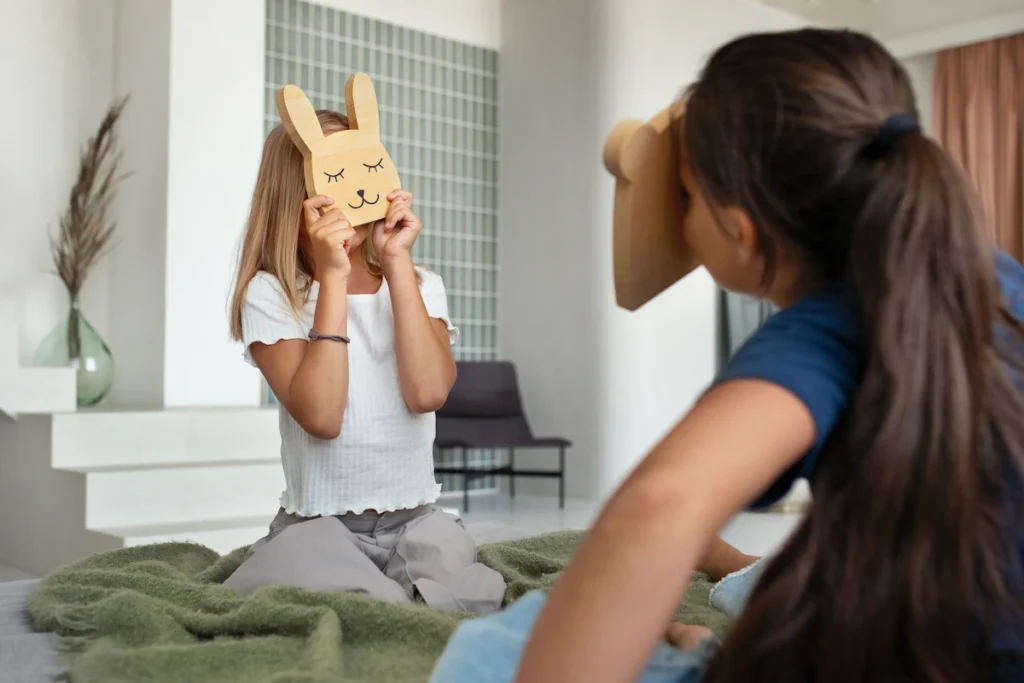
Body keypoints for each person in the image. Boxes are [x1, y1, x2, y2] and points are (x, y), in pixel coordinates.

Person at [431, 28, 1024, 682]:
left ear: (741, 232)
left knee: (494, 648)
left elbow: (655, 506)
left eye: (686, 197)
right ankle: (731, 586)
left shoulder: (826, 326)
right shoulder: (999, 278)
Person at [225, 109, 506, 613]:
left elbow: (427, 393)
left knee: (467, 593)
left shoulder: (422, 285)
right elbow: (323, 416)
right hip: (320, 527)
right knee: (364, 606)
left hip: (416, 520)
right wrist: (331, 278)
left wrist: (396, 262)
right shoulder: (271, 295)